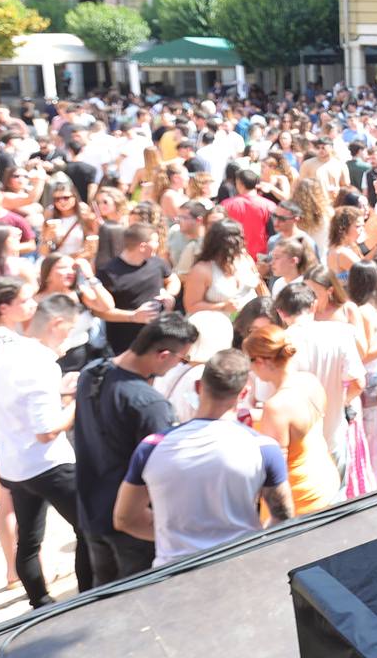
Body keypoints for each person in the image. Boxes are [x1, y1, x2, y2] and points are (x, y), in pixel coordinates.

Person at [114, 349, 295, 566]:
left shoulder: (152, 447)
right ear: (244, 393)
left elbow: (125, 519)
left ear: (199, 387)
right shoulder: (264, 449)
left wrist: (173, 537)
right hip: (242, 567)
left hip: (173, 573)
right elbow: (283, 516)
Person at [0, 294, 91, 607]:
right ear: (57, 324)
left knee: (28, 540)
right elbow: (47, 431)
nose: (69, 338)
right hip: (48, 464)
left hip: (14, 465)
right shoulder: (42, 362)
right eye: (69, 329)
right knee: (87, 528)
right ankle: (88, 598)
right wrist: (74, 400)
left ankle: (39, 603)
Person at [73, 314, 199, 586]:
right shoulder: (150, 404)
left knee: (103, 590)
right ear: (163, 355)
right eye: (182, 358)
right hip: (132, 520)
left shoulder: (90, 372)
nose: (180, 364)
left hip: (91, 508)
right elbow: (164, 468)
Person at [242, 324, 338, 513]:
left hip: (300, 499)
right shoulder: (309, 381)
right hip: (325, 479)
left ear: (260, 361)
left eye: (250, 362)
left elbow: (276, 473)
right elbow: (299, 422)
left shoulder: (276, 407)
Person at [271, 282, 364, 468]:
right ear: (313, 305)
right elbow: (359, 382)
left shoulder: (278, 343)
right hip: (333, 437)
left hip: (297, 450)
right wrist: (340, 403)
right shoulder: (339, 333)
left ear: (280, 313)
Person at [98, 223, 178, 354]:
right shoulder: (108, 273)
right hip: (125, 346)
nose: (159, 245)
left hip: (157, 338)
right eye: (155, 241)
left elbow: (173, 279)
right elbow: (99, 312)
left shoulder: (157, 263)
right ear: (143, 246)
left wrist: (170, 294)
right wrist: (133, 316)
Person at [181, 219, 264, 316]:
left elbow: (259, 287)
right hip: (215, 325)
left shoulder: (245, 259)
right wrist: (222, 306)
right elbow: (191, 306)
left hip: (248, 324)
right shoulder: (202, 270)